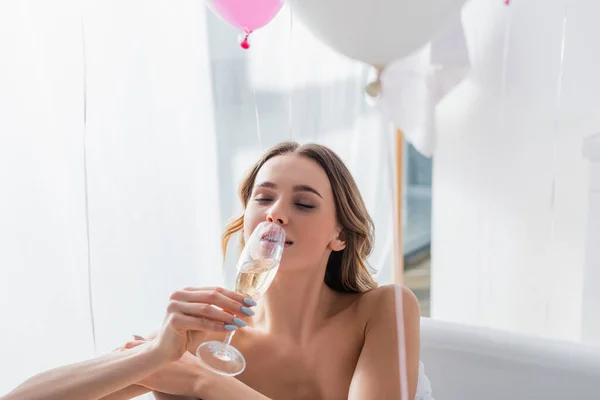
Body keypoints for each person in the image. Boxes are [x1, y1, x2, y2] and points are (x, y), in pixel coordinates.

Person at [2, 141, 427, 400]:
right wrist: (155, 355)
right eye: (264, 199)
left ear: (339, 234)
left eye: (304, 203)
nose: (276, 214)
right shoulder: (203, 331)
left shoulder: (382, 309)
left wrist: (205, 382)